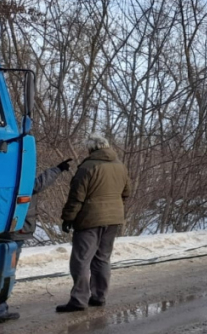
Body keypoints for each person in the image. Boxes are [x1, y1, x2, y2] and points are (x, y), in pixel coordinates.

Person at [56, 134, 131, 313]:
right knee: (102, 258)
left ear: (91, 149)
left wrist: (68, 217)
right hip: (113, 220)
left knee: (80, 260)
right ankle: (99, 296)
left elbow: (76, 197)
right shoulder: (120, 166)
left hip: (90, 220)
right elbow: (127, 192)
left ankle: (78, 300)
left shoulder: (87, 167)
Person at [0, 159, 72, 323]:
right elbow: (38, 184)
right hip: (15, 229)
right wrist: (57, 169)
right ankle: (1, 309)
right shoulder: (19, 178)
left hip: (6, 227)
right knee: (6, 271)